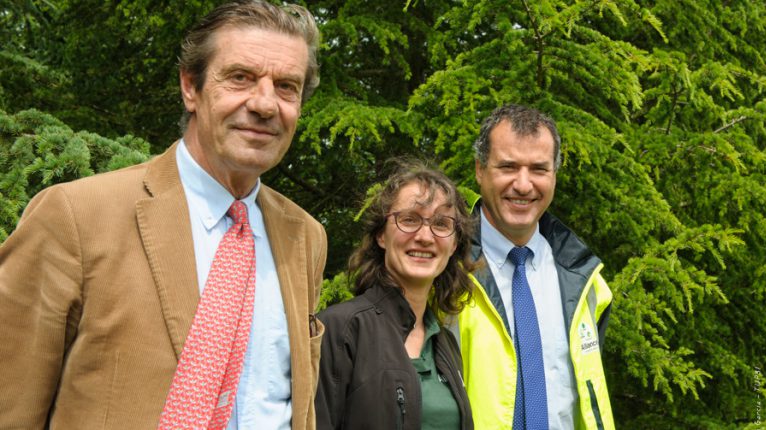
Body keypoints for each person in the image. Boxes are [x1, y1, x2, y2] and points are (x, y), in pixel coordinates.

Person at [0, 1, 327, 428]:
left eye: (286, 86)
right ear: (190, 87)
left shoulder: (306, 237)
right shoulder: (75, 215)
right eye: (241, 77)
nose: (265, 104)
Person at [458, 104, 614, 430]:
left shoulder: (585, 281)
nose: (524, 184)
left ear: (554, 175)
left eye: (539, 169)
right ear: (479, 170)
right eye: (508, 167)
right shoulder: (445, 271)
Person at [315, 160, 475, 430]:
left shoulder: (445, 342)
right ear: (381, 235)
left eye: (440, 223)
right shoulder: (339, 330)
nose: (425, 236)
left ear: (454, 243)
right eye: (409, 220)